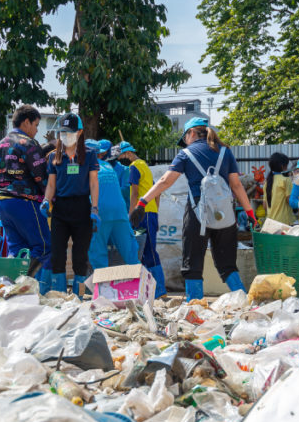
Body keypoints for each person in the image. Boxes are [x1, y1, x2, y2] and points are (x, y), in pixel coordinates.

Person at [131, 118, 256, 301]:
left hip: (197, 214)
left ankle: (194, 307)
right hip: (225, 215)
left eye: (186, 137)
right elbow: (236, 185)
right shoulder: (225, 151)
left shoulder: (186, 154)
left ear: (191, 133)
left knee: (192, 264)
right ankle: (245, 302)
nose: (186, 142)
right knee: (227, 265)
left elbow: (166, 181)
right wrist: (250, 213)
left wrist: (142, 202)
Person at [0, 105, 53, 292]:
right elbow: (42, 178)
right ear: (26, 122)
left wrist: (1, 197)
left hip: (3, 203)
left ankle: (7, 289)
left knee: (16, 251)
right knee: (43, 248)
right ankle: (24, 286)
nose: (36, 130)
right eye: (35, 125)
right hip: (26, 202)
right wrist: (50, 200)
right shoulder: (29, 144)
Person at [41, 113, 99, 295]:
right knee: (57, 255)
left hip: (82, 209)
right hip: (60, 209)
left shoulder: (89, 155)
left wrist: (95, 207)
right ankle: (58, 295)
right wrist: (45, 201)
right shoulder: (53, 158)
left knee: (80, 257)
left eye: (70, 132)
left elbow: (93, 183)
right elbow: (51, 184)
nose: (66, 136)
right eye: (63, 132)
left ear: (80, 132)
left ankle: (79, 295)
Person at [121, 140, 167, 297]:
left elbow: (134, 193)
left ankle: (160, 290)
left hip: (142, 213)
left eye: (123, 155)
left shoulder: (133, 167)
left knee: (147, 251)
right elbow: (157, 191)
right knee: (147, 251)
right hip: (151, 212)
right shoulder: (144, 166)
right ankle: (151, 291)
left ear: (127, 153)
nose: (123, 158)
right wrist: (156, 211)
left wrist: (131, 213)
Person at [86, 140, 139, 271]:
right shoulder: (108, 166)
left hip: (100, 212)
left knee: (98, 252)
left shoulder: (85, 166)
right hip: (120, 212)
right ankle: (140, 287)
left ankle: (103, 288)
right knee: (130, 253)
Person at [263, 152, 294, 226]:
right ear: (283, 166)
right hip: (284, 223)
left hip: (270, 222)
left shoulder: (267, 181)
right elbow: (290, 201)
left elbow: (265, 205)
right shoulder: (286, 180)